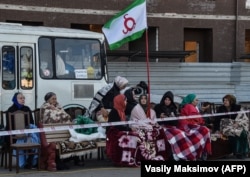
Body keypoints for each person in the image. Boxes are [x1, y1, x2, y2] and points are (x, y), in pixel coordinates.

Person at [129, 94, 170, 161]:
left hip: (150, 128)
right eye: (142, 98)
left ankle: (158, 154)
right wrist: (146, 126)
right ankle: (145, 156)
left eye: (145, 99)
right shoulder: (135, 109)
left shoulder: (152, 111)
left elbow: (154, 122)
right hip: (139, 128)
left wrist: (152, 126)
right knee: (144, 135)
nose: (143, 100)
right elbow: (134, 122)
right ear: (139, 100)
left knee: (159, 133)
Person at [172, 93, 211, 161]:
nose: (197, 101)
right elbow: (197, 119)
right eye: (196, 100)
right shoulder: (189, 106)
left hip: (186, 125)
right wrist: (201, 121)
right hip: (187, 126)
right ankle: (201, 152)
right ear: (191, 101)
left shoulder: (191, 107)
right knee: (205, 130)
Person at [6, 92, 40, 169]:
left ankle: (31, 161)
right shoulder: (10, 110)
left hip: (27, 134)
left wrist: (26, 131)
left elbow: (31, 123)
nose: (23, 99)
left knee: (35, 137)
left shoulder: (27, 109)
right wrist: (19, 133)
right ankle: (28, 162)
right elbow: (9, 127)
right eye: (20, 98)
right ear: (15, 99)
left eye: (23, 98)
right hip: (14, 136)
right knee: (29, 139)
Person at [215, 94, 250, 159]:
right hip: (226, 127)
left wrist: (238, 123)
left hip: (237, 125)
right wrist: (216, 129)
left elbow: (244, 118)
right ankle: (237, 152)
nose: (225, 102)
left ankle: (244, 152)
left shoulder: (238, 108)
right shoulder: (221, 108)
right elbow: (217, 120)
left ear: (231, 101)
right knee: (236, 133)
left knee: (243, 133)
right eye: (224, 100)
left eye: (227, 100)